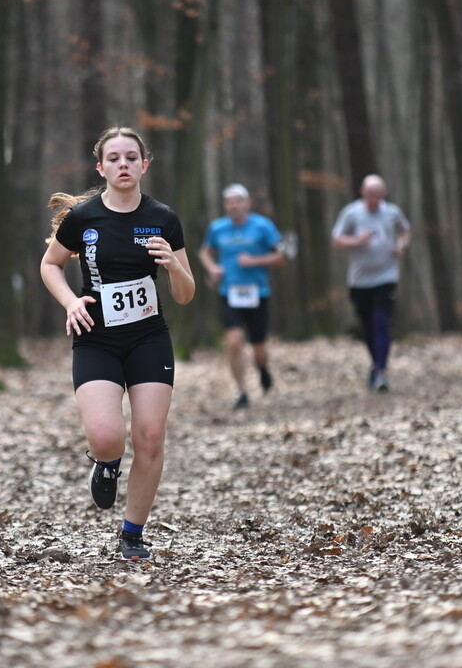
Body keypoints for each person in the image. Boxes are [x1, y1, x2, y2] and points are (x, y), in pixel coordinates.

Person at [40, 126, 195, 562]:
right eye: (114, 158)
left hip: (149, 337)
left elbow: (185, 294)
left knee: (149, 437)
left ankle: (132, 535)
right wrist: (71, 302)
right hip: (97, 339)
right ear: (101, 167)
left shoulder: (163, 218)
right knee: (108, 438)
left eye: (131, 157)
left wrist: (173, 267)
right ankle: (106, 464)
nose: (123, 164)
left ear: (144, 165)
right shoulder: (84, 219)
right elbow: (50, 265)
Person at [198, 183, 286, 409]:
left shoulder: (263, 226)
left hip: (258, 293)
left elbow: (281, 257)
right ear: (225, 205)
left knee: (259, 348)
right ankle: (242, 391)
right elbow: (204, 253)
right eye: (229, 202)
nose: (234, 205)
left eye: (238, 201)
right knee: (234, 342)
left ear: (247, 203)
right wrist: (212, 269)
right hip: (229, 293)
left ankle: (263, 368)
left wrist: (255, 261)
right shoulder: (218, 228)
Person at [331, 174, 411, 392]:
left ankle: (382, 372)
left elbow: (405, 230)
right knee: (367, 327)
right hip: (359, 280)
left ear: (383, 194)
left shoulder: (392, 212)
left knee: (382, 322)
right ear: (362, 193)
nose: (373, 199)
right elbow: (336, 239)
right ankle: (376, 365)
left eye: (377, 195)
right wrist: (356, 241)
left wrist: (401, 246)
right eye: (369, 194)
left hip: (386, 277)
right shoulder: (351, 213)